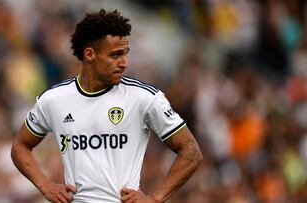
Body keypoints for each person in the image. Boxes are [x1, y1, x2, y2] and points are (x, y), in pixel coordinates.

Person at [11, 9, 203, 203]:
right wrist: (46, 186)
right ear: (90, 55)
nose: (124, 63)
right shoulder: (54, 99)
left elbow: (191, 150)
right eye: (115, 55)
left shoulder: (144, 98)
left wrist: (155, 198)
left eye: (125, 54)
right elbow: (20, 146)